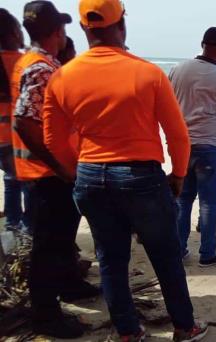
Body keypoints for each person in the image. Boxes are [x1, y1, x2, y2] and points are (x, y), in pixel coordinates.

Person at [43, 0, 207, 340]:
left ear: (85, 28)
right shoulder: (147, 73)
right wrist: (177, 175)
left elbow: (53, 140)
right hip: (140, 177)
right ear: (122, 26)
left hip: (90, 176)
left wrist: (79, 171)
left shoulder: (62, 76)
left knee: (111, 259)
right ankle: (184, 326)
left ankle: (129, 332)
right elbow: (177, 134)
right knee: (166, 256)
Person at [11, 1, 99, 338]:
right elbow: (24, 120)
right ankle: (46, 316)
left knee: (61, 239)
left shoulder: (30, 61)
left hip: (48, 171)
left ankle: (70, 284)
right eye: (63, 29)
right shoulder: (43, 68)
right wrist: (59, 165)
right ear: (57, 32)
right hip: (47, 173)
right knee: (48, 246)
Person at [169, 27, 216, 266]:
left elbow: (169, 109)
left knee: (183, 200)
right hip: (210, 145)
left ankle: (179, 249)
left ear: (202, 43)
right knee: (209, 202)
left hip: (183, 145)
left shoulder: (176, 70)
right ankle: (207, 253)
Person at [0, 9, 30, 232]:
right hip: (16, 136)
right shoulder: (22, 61)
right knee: (26, 181)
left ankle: (12, 226)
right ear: (11, 33)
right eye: (19, 29)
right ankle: (26, 229)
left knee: (10, 180)